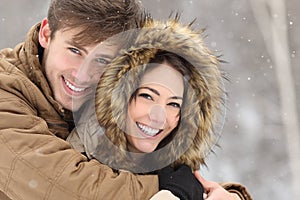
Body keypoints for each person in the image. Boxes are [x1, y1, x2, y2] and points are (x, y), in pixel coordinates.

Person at [0, 0, 203, 199]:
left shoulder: (106, 98)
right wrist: (169, 187)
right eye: (75, 50)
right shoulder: (5, 89)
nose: (82, 74)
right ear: (46, 34)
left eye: (102, 59)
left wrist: (225, 193)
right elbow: (60, 185)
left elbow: (132, 161)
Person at [68, 16, 253, 200]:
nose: (159, 117)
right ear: (119, 98)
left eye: (173, 104)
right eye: (147, 96)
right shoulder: (76, 158)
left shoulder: (177, 175)